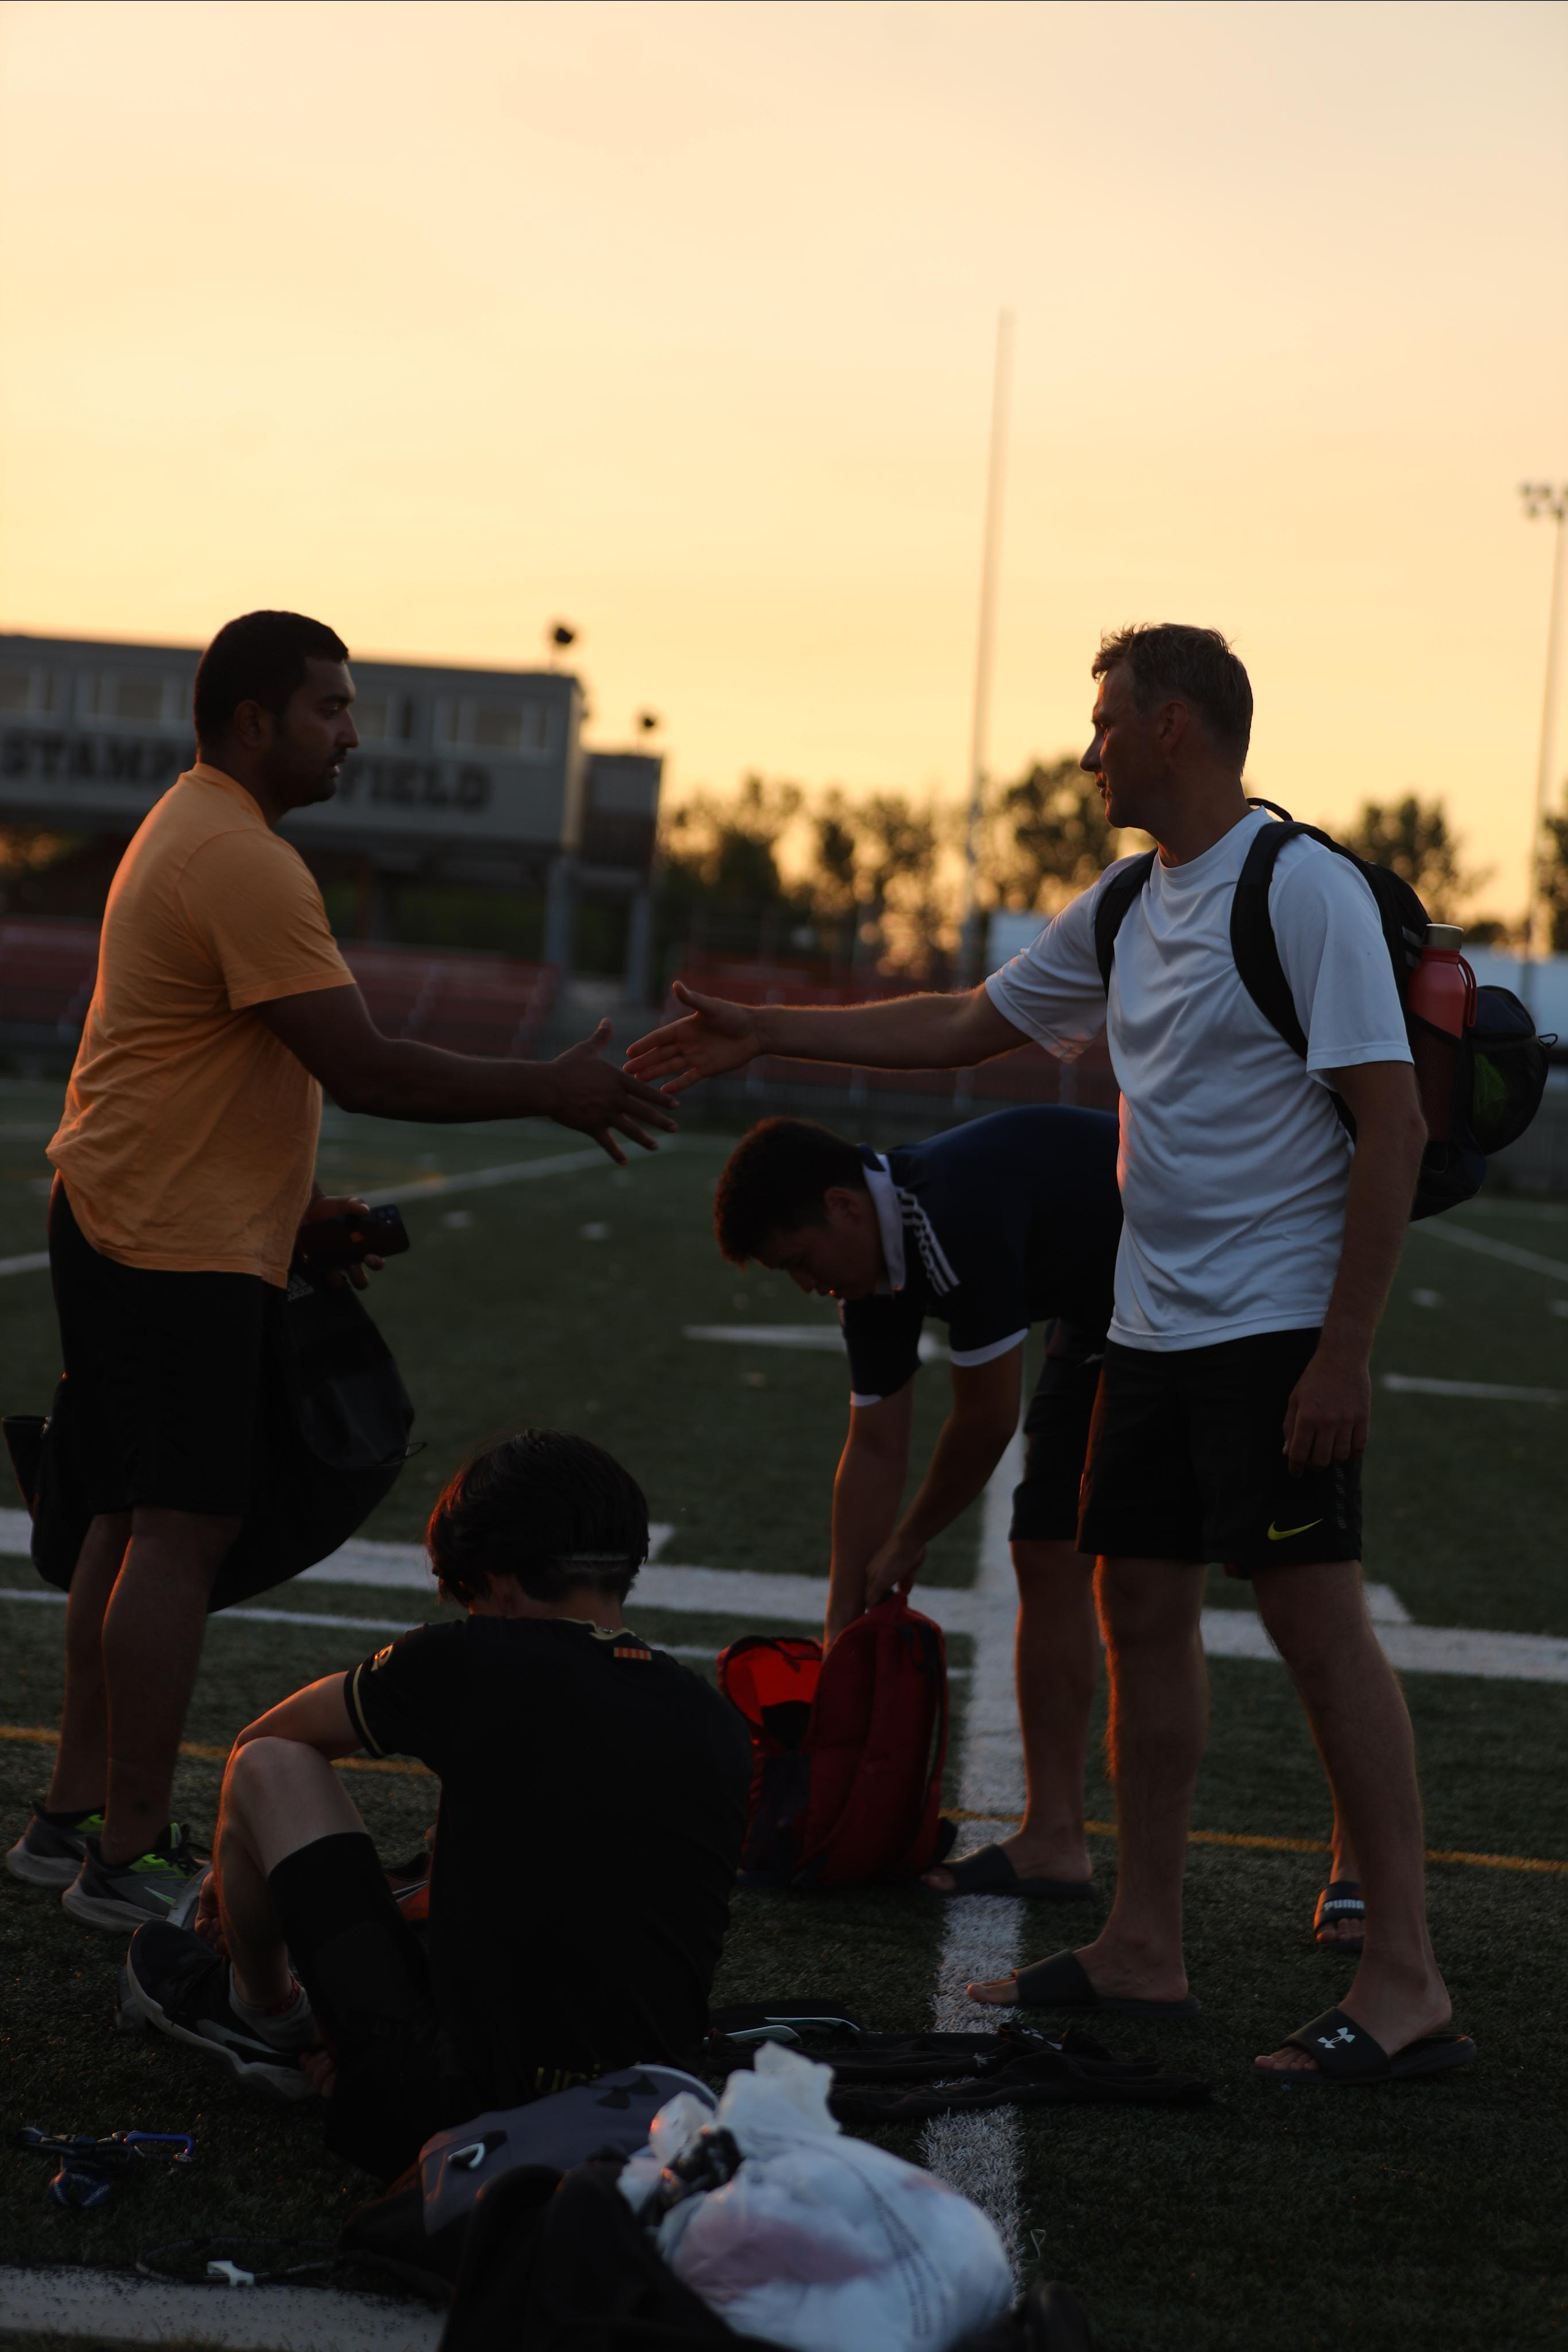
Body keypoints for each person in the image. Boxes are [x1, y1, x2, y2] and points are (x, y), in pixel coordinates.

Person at [628, 623, 1471, 2086]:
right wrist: (762, 1029)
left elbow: (1388, 1124)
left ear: (1174, 726)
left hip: (1272, 1328)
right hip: (1146, 1323)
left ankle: (1403, 1977)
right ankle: (1144, 1938)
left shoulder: (1301, 888)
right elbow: (969, 1019)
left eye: (1103, 722)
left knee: (1314, 1627)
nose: (1085, 752)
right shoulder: (1128, 899)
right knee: (1134, 1603)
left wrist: (1342, 1351)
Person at [6, 610, 675, 1934]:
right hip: (171, 1236)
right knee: (176, 1535)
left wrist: (293, 1212)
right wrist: (551, 1087)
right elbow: (365, 1067)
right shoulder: (238, 856)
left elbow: (195, 1064)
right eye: (330, 709)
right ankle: (125, 1854)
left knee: (124, 1528)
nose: (352, 736)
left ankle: (73, 1816)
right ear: (253, 720)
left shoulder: (192, 828)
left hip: (133, 1210)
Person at [121, 1431, 751, 2177]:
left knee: (266, 1768)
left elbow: (266, 1740)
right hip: (652, 2112)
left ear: (498, 1583)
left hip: (459, 2113)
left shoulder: (468, 1659)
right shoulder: (715, 1719)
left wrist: (236, 1896)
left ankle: (259, 2011)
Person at [713, 1106, 1120, 1899]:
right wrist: (840, 1623)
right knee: (1045, 1547)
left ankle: (1355, 1869)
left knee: (1185, 1575)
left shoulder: (947, 1215)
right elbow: (873, 1447)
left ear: (842, 1206)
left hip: (1208, 1274)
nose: (806, 1286)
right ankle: (1055, 1840)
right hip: (1102, 1298)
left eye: (800, 1261)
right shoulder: (870, 1259)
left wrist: (909, 1538)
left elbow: (988, 1419)